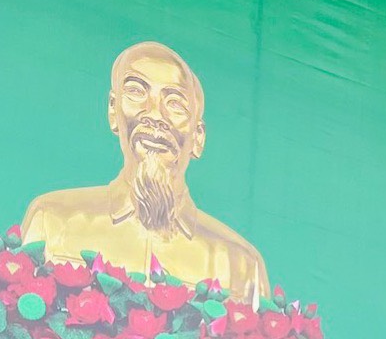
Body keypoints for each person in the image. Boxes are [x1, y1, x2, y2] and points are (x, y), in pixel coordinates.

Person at [17, 38, 272, 303]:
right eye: (136, 92)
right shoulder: (53, 220)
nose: (155, 115)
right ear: (113, 110)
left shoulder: (241, 266)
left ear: (198, 137)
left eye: (175, 103)